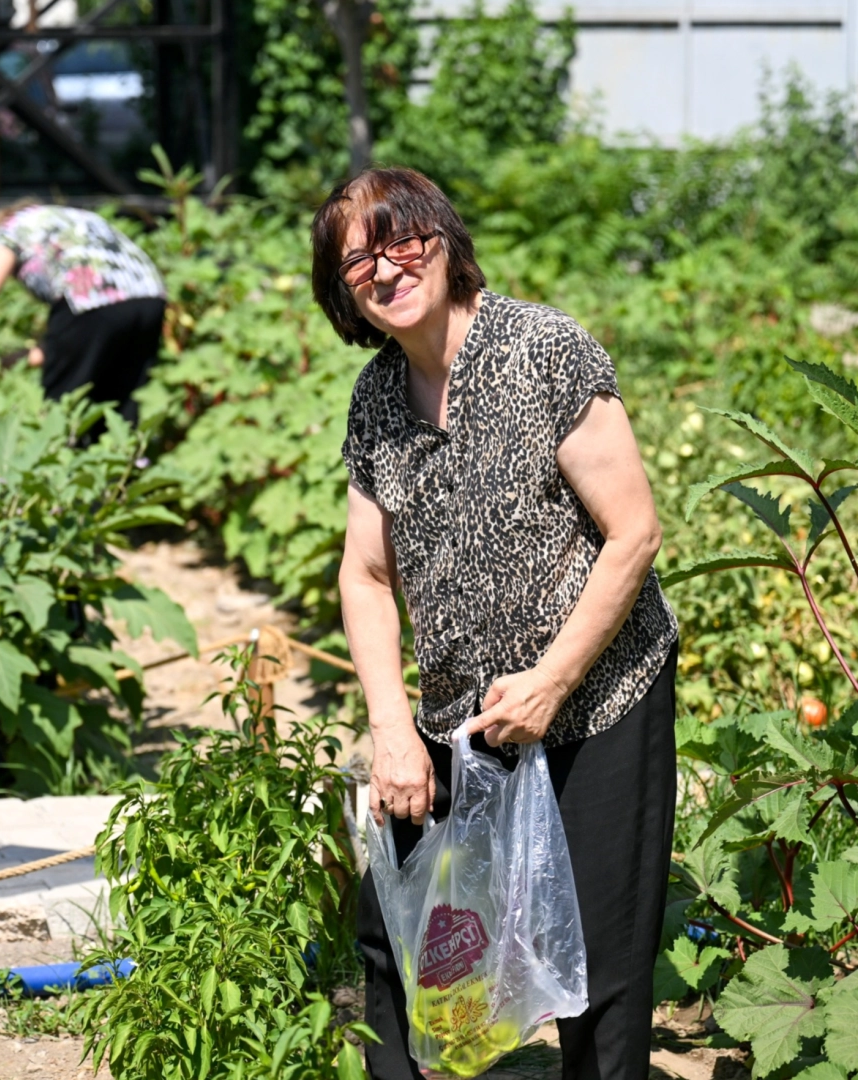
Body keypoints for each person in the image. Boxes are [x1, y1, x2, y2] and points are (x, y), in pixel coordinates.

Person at [315, 167, 679, 1079]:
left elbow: (632, 533)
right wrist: (391, 731)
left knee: (599, 964)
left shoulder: (541, 351)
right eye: (359, 260)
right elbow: (364, 575)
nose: (386, 268)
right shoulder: (377, 398)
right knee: (395, 935)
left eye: (402, 241)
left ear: (442, 241)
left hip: (599, 698)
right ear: (343, 292)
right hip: (461, 720)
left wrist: (553, 679)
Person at [0, 202, 168, 426]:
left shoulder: (12, 226)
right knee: (120, 406)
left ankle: (62, 457)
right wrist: (9, 362)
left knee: (61, 408)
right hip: (149, 296)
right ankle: (122, 459)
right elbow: (69, 345)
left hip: (91, 292)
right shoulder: (74, 217)